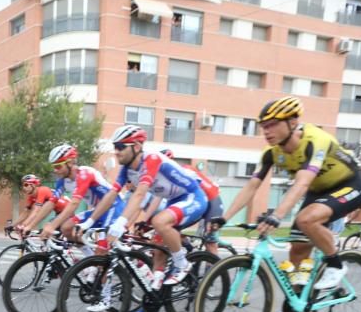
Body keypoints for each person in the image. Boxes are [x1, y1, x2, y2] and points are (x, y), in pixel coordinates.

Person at [217, 97, 361, 312]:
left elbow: (302, 183)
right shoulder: (271, 153)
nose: (266, 131)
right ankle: (295, 305)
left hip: (349, 185)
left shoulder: (315, 140)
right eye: (263, 126)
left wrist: (277, 215)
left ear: (292, 121)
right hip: (319, 190)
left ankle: (336, 264)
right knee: (297, 251)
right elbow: (252, 185)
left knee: (306, 219)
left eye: (272, 124)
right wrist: (223, 218)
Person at [86, 125, 209, 292]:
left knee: (160, 221)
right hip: (174, 201)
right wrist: (90, 221)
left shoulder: (151, 159)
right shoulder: (127, 169)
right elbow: (112, 194)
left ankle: (182, 264)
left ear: (136, 146)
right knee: (156, 246)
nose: (116, 151)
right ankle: (157, 288)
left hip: (193, 197)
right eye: (115, 147)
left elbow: (139, 195)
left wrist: (121, 223)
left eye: (121, 147)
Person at [40, 145, 118, 245]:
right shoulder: (63, 180)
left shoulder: (84, 174)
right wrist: (28, 226)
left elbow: (74, 203)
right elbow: (51, 202)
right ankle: (89, 257)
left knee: (102, 248)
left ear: (69, 163)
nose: (55, 170)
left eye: (58, 166)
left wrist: (52, 226)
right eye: (53, 167)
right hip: (98, 211)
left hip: (113, 207)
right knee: (66, 228)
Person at [159, 148, 225, 256]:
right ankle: (190, 251)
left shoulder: (185, 170)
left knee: (210, 243)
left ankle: (215, 271)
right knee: (170, 230)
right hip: (198, 203)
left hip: (212, 201)